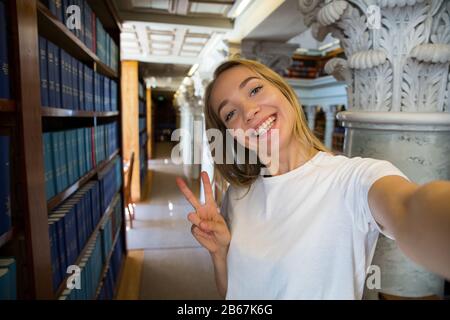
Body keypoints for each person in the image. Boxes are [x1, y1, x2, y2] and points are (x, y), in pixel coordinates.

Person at [175, 58, 450, 299]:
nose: (249, 112)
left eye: (255, 89)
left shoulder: (354, 179)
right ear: (229, 134)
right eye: (230, 113)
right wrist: (219, 254)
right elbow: (232, 294)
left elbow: (410, 208)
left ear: (284, 91)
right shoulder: (237, 197)